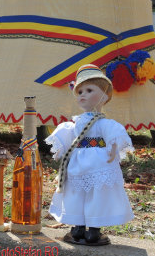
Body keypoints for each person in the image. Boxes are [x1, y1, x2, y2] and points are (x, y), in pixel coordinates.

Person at [46, 64, 134, 245]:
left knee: (97, 194)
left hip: (98, 163)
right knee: (77, 192)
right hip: (78, 163)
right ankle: (78, 228)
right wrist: (60, 150)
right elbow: (68, 135)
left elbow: (114, 134)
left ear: (104, 95)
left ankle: (93, 229)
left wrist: (112, 149)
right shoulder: (75, 122)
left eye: (89, 90)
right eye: (79, 92)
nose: (83, 95)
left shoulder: (103, 123)